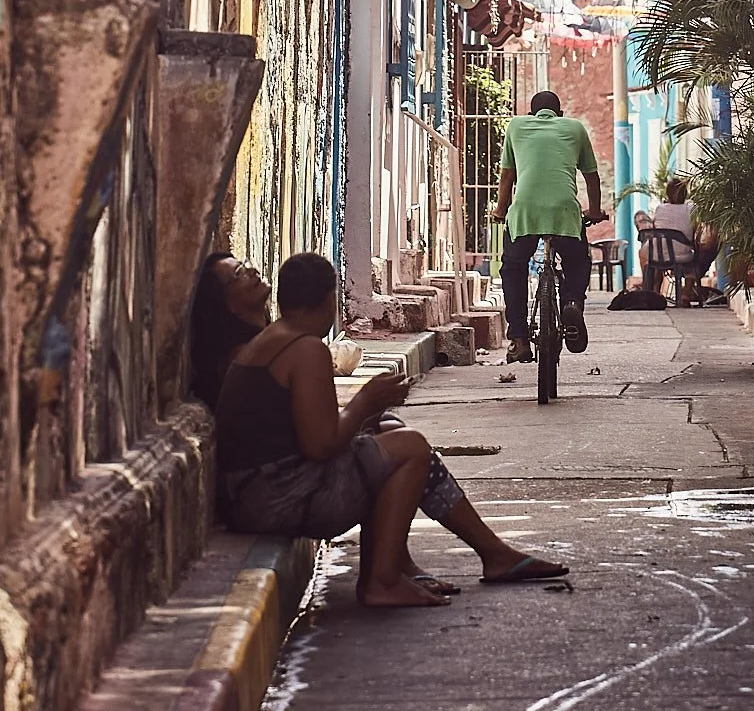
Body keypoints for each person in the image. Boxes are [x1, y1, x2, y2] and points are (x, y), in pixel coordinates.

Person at [193, 252, 567, 599]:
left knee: (387, 430)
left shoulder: (276, 339)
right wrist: (363, 402)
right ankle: (383, 579)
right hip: (273, 498)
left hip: (257, 492)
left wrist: (369, 414)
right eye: (239, 274)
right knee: (410, 448)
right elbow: (321, 444)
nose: (251, 272)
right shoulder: (302, 349)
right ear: (329, 300)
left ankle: (460, 556)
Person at [493, 90, 605, 364]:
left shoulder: (516, 125)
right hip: (564, 210)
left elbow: (508, 175)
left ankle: (519, 338)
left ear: (532, 114)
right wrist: (595, 211)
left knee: (513, 267)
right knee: (577, 260)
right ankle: (571, 303)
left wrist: (500, 209)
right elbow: (592, 177)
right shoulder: (574, 128)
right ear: (560, 114)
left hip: (525, 212)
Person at [649, 180, 721, 303]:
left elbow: (655, 227)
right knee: (693, 262)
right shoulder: (691, 208)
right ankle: (687, 293)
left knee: (659, 263)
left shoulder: (660, 209)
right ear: (685, 194)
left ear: (668, 194)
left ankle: (655, 292)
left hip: (658, 255)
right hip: (682, 255)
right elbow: (694, 232)